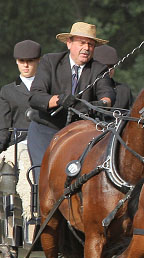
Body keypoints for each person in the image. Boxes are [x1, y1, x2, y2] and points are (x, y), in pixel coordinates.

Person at [27, 22, 115, 182]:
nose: (86, 48)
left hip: (80, 132)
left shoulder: (99, 69)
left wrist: (101, 104)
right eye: (82, 43)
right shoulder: (50, 61)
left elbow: (108, 95)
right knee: (45, 178)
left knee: (80, 177)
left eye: (90, 44)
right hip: (46, 129)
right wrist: (59, 100)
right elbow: (35, 96)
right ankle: (38, 206)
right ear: (69, 43)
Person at [0, 39, 41, 225]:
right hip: (20, 143)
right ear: (16, 62)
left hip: (46, 140)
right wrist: (0, 148)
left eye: (30, 60)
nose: (26, 65)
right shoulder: (7, 91)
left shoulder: (49, 88)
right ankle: (31, 212)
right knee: (25, 161)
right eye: (22, 61)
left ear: (39, 60)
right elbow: (3, 125)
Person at [92, 44, 134, 110]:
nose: (108, 70)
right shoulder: (85, 91)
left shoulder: (124, 92)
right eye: (103, 67)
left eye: (111, 66)